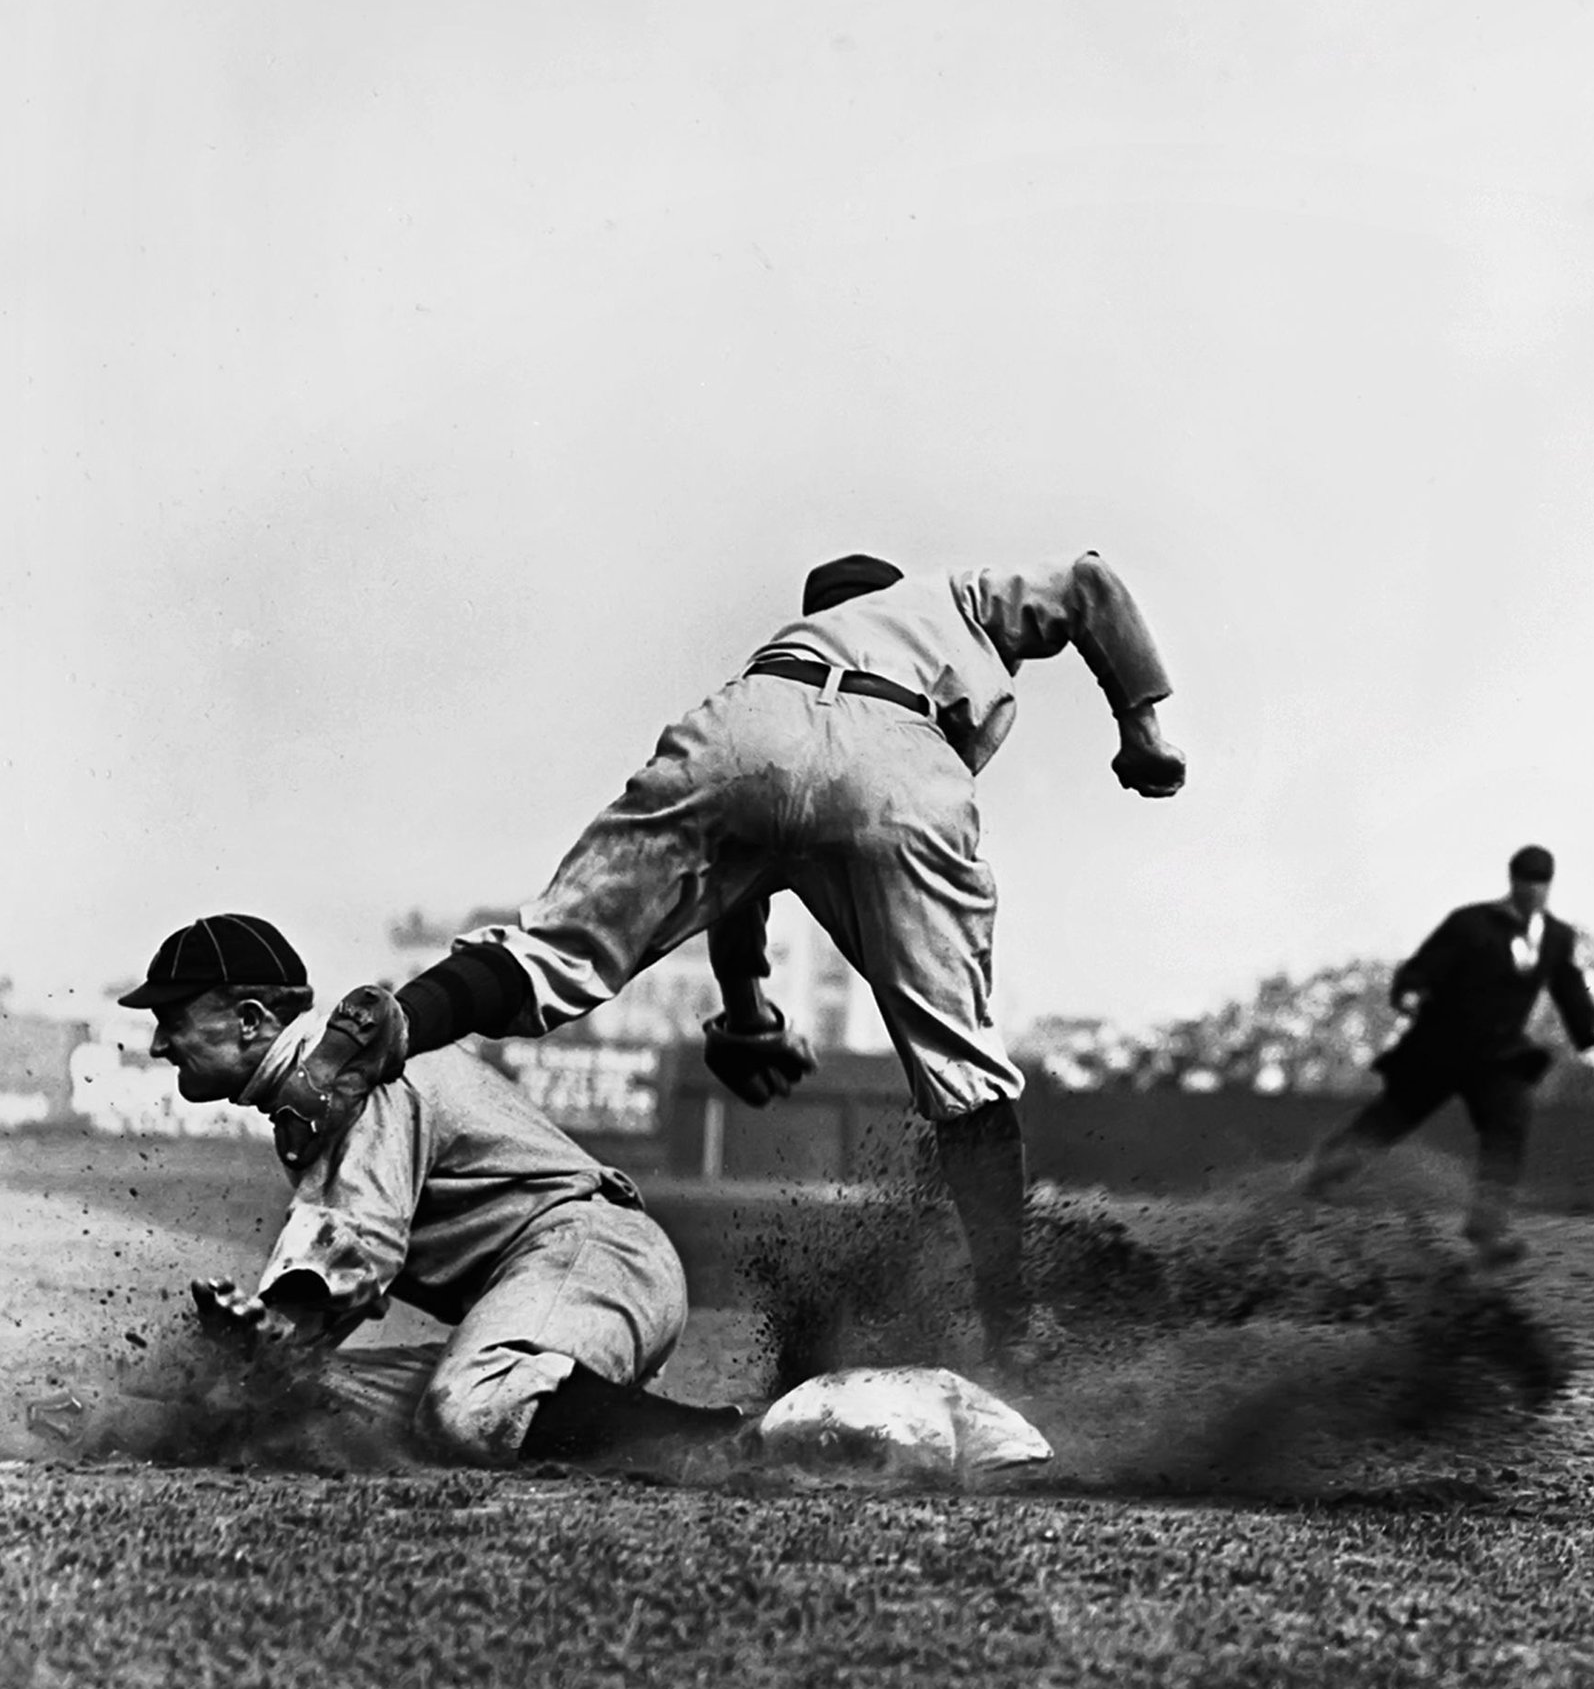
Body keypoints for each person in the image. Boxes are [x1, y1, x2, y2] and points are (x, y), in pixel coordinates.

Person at [260, 550, 1185, 1370]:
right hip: (900, 760)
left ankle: (406, 1017)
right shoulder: (954, 598)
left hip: (739, 737)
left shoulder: (784, 651)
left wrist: (746, 1015)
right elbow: (1094, 582)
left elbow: (738, 881)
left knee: (554, 951)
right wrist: (1140, 726)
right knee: (964, 1070)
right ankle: (1012, 1322)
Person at [128, 912, 744, 1464]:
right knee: (296, 1402)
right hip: (543, 1293)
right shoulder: (320, 1093)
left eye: (173, 1018)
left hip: (592, 1255)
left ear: (249, 1020)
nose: (159, 1042)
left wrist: (273, 1333)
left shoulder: (359, 1077)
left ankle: (732, 1442)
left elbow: (356, 1246)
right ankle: (567, 1401)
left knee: (470, 1409)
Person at [1302, 845, 1594, 1265]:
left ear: (1548, 886)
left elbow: (1568, 988)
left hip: (1497, 1056)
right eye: (1526, 881)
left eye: (1540, 883)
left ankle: (1488, 1225)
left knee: (1510, 1120)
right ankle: (1319, 1179)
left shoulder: (1555, 938)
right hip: (1442, 1046)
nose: (1533, 891)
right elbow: (1425, 965)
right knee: (1391, 1118)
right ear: (1513, 881)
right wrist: (1410, 991)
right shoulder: (1471, 924)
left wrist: (1589, 1035)